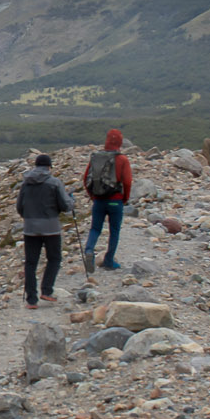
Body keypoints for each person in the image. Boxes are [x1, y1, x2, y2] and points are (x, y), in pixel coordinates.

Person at [17, 153, 74, 308]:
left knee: (30, 263)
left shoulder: (26, 183)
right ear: (49, 167)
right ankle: (46, 291)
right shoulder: (54, 183)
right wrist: (71, 201)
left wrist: (28, 217)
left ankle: (31, 300)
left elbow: (19, 207)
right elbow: (65, 206)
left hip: (30, 228)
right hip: (51, 227)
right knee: (54, 259)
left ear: (36, 166)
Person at [82, 128, 134, 272]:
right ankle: (109, 261)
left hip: (98, 200)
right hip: (115, 200)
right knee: (114, 231)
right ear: (120, 141)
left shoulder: (96, 157)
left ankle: (89, 251)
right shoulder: (122, 159)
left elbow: (85, 178)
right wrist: (125, 198)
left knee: (95, 228)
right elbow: (127, 182)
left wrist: (92, 196)